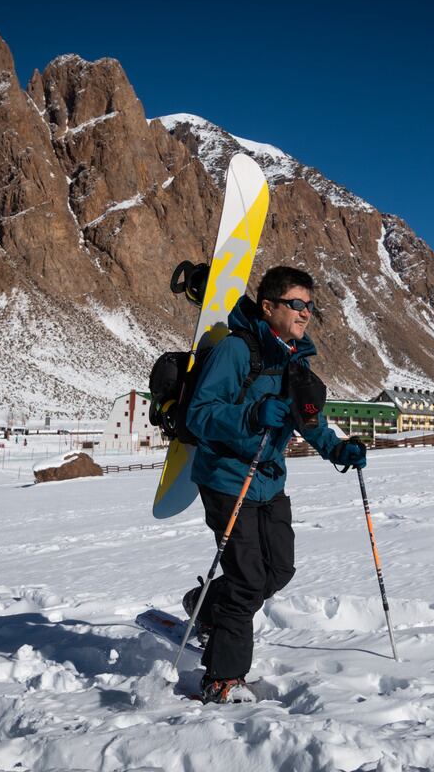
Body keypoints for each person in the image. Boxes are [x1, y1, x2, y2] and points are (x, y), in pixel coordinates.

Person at [183, 265, 367, 703]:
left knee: (278, 571)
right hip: (228, 479)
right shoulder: (235, 350)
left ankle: (206, 605)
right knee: (247, 580)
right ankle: (221, 679)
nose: (306, 313)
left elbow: (310, 420)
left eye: (310, 306)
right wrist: (250, 415)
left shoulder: (296, 358)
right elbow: (200, 413)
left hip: (269, 480)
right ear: (269, 307)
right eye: (296, 304)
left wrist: (338, 449)